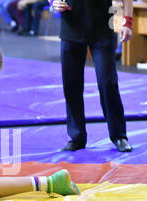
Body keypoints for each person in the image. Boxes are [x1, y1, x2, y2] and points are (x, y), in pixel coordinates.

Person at [53, 0, 133, 152]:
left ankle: (119, 135)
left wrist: (127, 22)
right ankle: (77, 137)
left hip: (103, 27)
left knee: (107, 82)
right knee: (71, 84)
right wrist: (53, 2)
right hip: (71, 25)